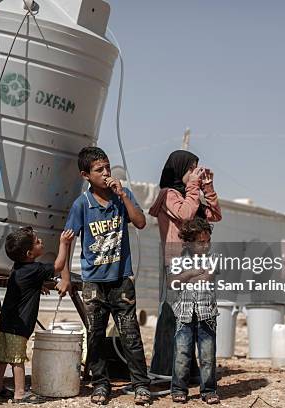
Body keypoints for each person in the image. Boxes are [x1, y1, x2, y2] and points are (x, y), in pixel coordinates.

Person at [64, 146, 151, 405]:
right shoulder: (82, 205)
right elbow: (67, 239)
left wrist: (123, 195)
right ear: (85, 175)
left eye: (107, 168)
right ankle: (100, 384)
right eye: (98, 169)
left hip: (121, 279)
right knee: (96, 335)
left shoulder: (121, 198)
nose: (105, 173)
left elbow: (141, 222)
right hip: (93, 282)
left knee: (130, 335)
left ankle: (141, 385)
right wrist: (66, 276)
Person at [148, 150, 222, 377]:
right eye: (191, 169)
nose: (194, 174)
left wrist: (207, 188)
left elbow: (215, 215)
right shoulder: (168, 194)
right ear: (179, 170)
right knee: (171, 314)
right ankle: (163, 368)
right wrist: (193, 188)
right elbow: (186, 215)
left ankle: (186, 370)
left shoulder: (192, 195)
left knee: (193, 315)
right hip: (176, 262)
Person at [0, 227, 74, 403]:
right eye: (37, 241)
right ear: (30, 253)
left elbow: (24, 284)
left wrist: (37, 286)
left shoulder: (18, 268)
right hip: (19, 326)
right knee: (17, 359)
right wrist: (64, 243)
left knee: (2, 357)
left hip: (6, 321)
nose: (41, 241)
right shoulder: (34, 269)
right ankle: (20, 393)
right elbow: (58, 266)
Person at [168, 218, 219, 404]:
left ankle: (209, 390)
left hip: (207, 315)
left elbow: (207, 277)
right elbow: (171, 282)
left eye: (208, 241)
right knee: (182, 354)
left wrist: (184, 277)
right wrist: (190, 273)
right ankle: (179, 389)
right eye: (201, 242)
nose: (206, 246)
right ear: (188, 243)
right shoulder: (178, 259)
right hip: (184, 315)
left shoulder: (213, 258)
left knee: (207, 355)